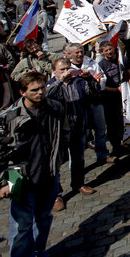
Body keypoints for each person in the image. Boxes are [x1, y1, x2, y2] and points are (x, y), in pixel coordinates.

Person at [0, 71, 69, 257]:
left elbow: (65, 132)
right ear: (22, 92)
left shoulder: (55, 108)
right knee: (21, 225)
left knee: (43, 217)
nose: (40, 92)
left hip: (48, 173)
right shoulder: (9, 118)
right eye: (34, 90)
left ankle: (39, 250)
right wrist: (0, 183)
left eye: (42, 88)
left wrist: (58, 157)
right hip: (19, 178)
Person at [46, 57, 96, 211]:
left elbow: (93, 93)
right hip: (59, 130)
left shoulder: (77, 82)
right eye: (62, 69)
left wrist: (89, 79)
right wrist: (60, 80)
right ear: (53, 71)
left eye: (68, 68)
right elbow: (46, 96)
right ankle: (56, 195)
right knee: (55, 164)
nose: (66, 72)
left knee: (78, 158)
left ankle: (78, 183)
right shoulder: (50, 85)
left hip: (77, 126)